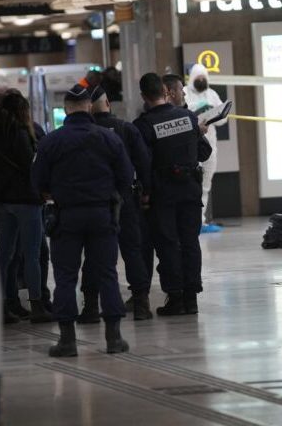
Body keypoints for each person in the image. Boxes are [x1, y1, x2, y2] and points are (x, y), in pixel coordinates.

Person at [31, 84, 133, 357]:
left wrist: (51, 193)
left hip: (66, 216)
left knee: (65, 277)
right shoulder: (108, 139)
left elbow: (37, 180)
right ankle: (114, 338)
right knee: (107, 273)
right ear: (89, 106)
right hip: (102, 215)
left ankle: (67, 341)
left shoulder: (51, 141)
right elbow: (126, 176)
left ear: (66, 109)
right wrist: (112, 196)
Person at [133, 73, 212, 316]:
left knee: (168, 245)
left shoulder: (143, 126)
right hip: (190, 191)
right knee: (190, 243)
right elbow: (204, 152)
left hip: (162, 195)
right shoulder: (188, 117)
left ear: (144, 96)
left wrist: (145, 194)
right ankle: (191, 299)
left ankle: (175, 298)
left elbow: (143, 164)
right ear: (165, 92)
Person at [76, 85, 153, 322]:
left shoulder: (82, 132)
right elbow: (143, 163)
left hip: (94, 202)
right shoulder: (126, 129)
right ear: (108, 104)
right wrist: (146, 192)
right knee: (132, 250)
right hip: (125, 199)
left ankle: (90, 307)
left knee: (93, 254)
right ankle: (141, 304)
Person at [0, 91, 52, 324]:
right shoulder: (21, 134)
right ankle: (37, 305)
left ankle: (2, 305)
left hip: (2, 203)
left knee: (5, 254)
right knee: (31, 255)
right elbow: (31, 165)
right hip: (26, 201)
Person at [184, 64, 227, 233]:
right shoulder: (185, 93)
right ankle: (192, 221)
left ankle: (201, 222)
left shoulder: (212, 94)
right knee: (193, 186)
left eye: (203, 78)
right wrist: (198, 111)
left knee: (205, 186)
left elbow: (223, 118)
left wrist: (212, 113)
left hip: (210, 147)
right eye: (198, 78)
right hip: (192, 147)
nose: (201, 81)